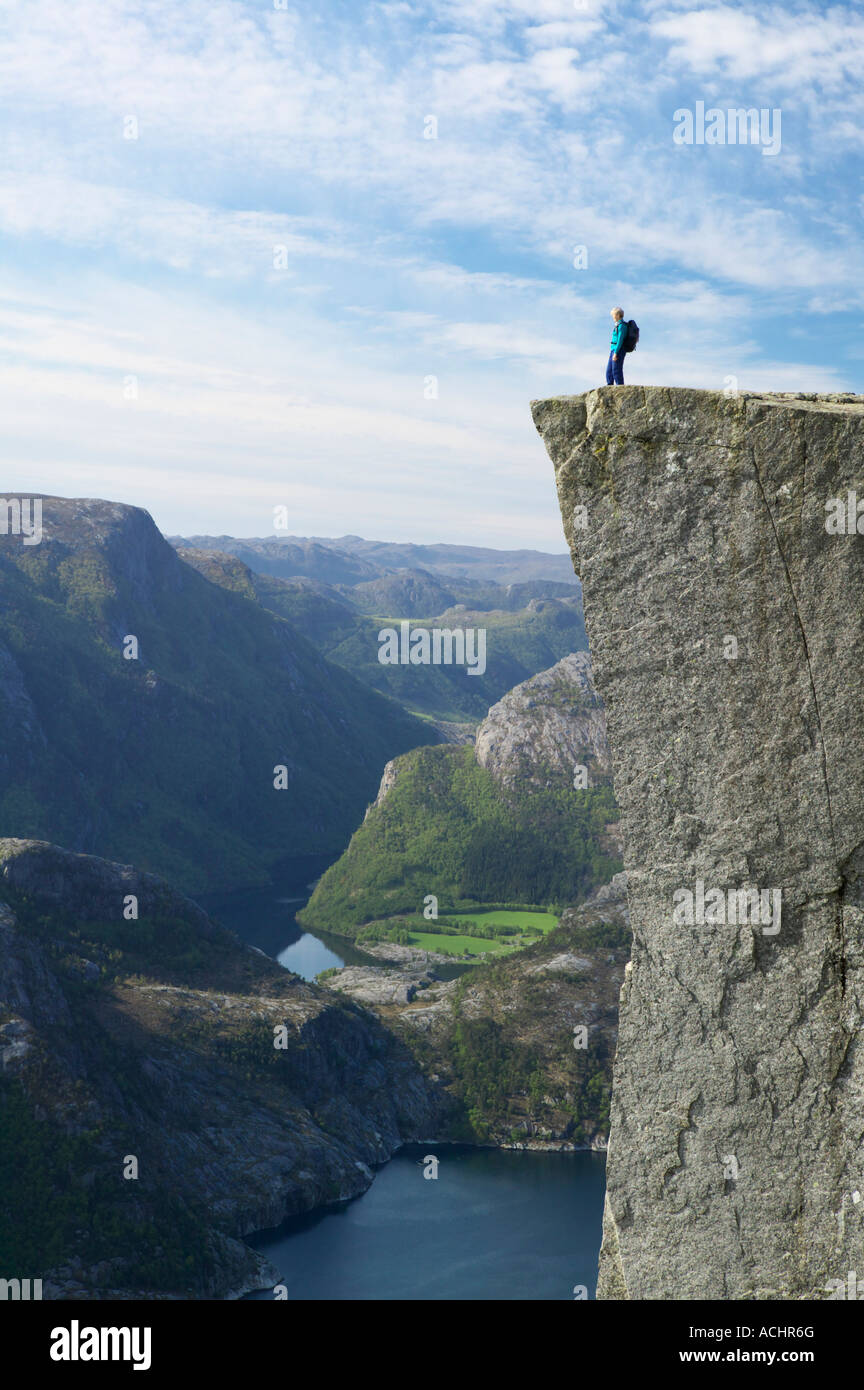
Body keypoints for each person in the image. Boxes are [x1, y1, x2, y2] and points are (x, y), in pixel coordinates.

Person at [606, 307, 627, 386]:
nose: (612, 317)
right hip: (613, 350)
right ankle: (609, 387)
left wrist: (616, 353)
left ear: (618, 315)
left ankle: (620, 387)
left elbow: (620, 340)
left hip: (619, 350)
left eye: (613, 315)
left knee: (616, 370)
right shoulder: (617, 325)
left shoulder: (622, 326)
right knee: (609, 371)